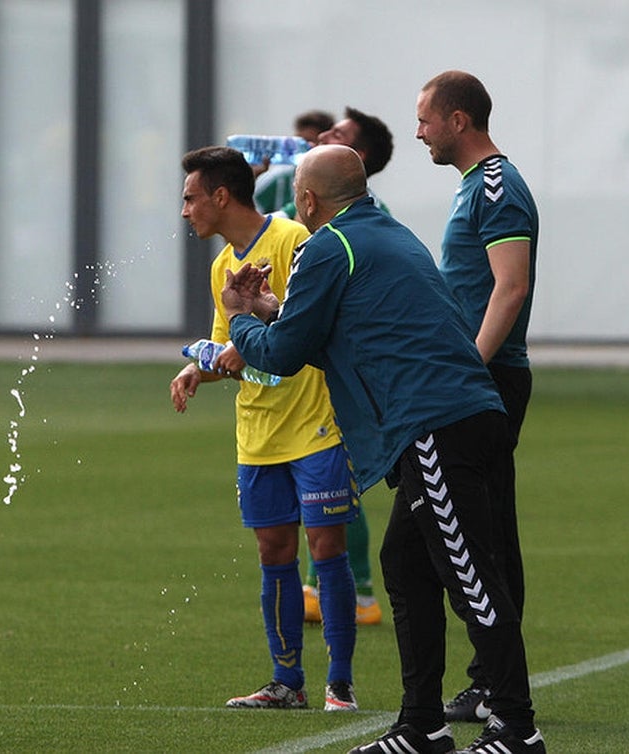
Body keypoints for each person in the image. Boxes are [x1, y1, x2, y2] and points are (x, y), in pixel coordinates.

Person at [221, 144, 544, 753]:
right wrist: (269, 308)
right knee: (404, 563)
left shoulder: (326, 246)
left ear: (308, 200)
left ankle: (517, 729)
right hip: (458, 416)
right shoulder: (387, 234)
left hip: (433, 426)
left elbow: (285, 354)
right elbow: (337, 331)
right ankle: (422, 725)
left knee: (471, 578)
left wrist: (240, 317)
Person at [173, 145, 359, 712]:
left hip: (316, 426)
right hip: (258, 431)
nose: (184, 211)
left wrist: (233, 345)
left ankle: (340, 685)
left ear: (220, 196)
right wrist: (198, 369)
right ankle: (287, 682)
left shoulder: (294, 241)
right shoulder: (218, 269)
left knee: (325, 546)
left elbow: (313, 324)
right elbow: (233, 349)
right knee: (272, 550)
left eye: (190, 198)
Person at [415, 70, 540, 726]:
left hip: (484, 380)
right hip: (475, 377)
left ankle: (496, 689)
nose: (419, 132)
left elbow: (509, 286)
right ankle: (488, 681)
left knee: (480, 532)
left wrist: (468, 367)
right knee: (481, 528)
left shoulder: (496, 186)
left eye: (426, 119)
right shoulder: (477, 187)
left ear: (460, 120)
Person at [301, 103, 397, 627]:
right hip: (326, 361)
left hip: (335, 371)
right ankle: (329, 584)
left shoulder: (357, 224)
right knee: (329, 476)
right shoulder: (370, 220)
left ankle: (357, 591)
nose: (320, 137)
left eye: (335, 135)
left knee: (337, 476)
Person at [252, 109, 334, 218]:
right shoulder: (278, 181)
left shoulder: (334, 184)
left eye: (307, 142)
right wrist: (251, 178)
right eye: (296, 141)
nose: (298, 147)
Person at [317, 105, 394, 214]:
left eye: (337, 135)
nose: (321, 136)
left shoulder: (373, 215)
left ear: (356, 155)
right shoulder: (305, 197)